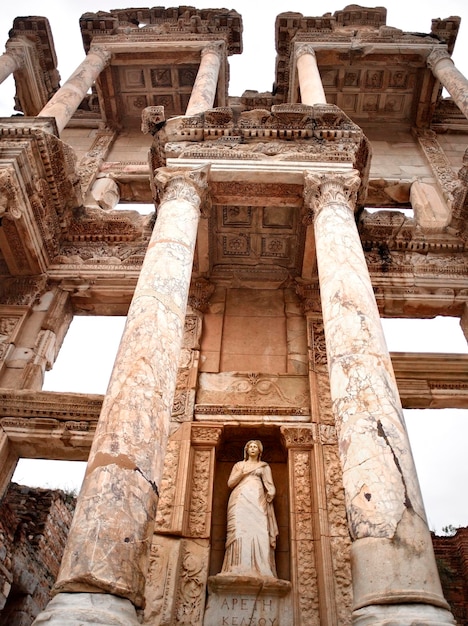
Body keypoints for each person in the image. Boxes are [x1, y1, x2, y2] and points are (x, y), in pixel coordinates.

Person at [221, 440, 278, 578]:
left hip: (257, 501)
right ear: (246, 450)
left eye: (255, 447)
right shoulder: (239, 465)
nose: (252, 449)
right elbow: (230, 483)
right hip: (240, 500)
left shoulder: (264, 467)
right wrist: (241, 473)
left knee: (260, 531)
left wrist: (271, 493)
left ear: (259, 451)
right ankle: (237, 566)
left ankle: (263, 567)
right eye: (250, 447)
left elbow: (270, 485)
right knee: (240, 530)